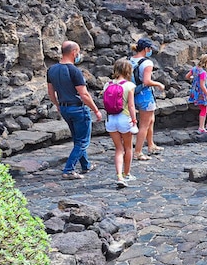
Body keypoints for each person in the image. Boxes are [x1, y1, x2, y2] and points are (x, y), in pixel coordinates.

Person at [46, 40, 103, 180]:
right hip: (78, 109)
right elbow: (84, 94)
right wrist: (96, 109)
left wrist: (57, 105)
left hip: (65, 108)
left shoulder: (51, 70)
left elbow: (50, 92)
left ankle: (86, 165)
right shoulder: (74, 71)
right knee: (83, 141)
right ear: (74, 52)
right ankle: (69, 169)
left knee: (77, 138)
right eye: (78, 52)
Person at [104, 58, 138, 188]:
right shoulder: (129, 86)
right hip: (124, 119)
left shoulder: (107, 85)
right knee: (128, 147)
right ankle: (126, 174)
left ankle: (118, 175)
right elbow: (131, 106)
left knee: (119, 149)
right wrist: (134, 119)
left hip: (111, 119)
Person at [130, 37, 166, 160]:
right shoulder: (147, 63)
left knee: (151, 120)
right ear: (146, 49)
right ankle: (138, 152)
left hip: (133, 94)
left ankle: (151, 145)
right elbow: (147, 81)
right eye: (150, 48)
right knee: (144, 125)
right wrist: (158, 84)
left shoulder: (130, 60)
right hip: (145, 95)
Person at [186, 54, 207, 134]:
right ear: (206, 63)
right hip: (203, 93)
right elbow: (202, 86)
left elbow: (187, 76)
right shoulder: (203, 73)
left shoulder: (195, 69)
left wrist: (193, 78)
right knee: (206, 108)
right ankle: (202, 127)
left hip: (196, 92)